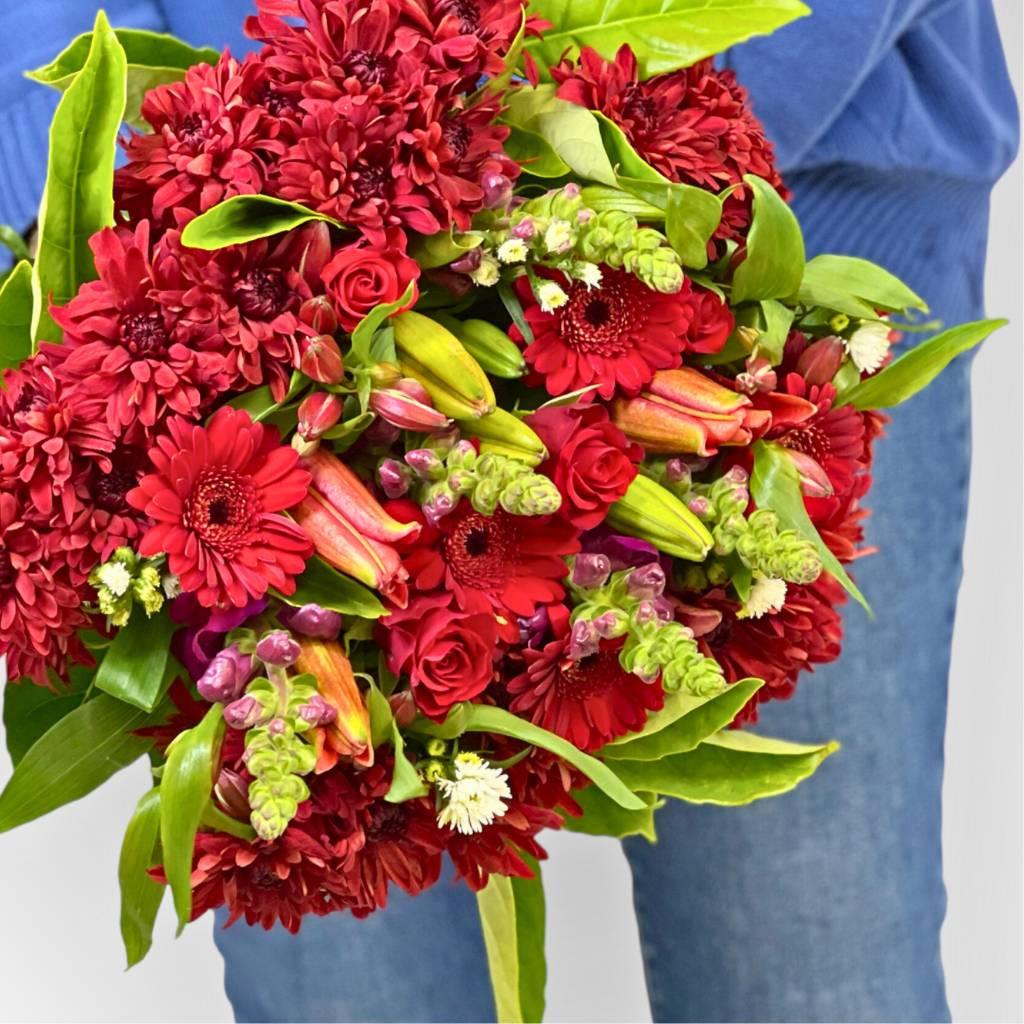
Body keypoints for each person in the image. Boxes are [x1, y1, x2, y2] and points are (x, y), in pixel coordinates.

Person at [0, 2, 1017, 1021]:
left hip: (778, 237)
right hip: (222, 244)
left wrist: (671, 147)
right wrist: (74, 130)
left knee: (815, 974)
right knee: (354, 982)